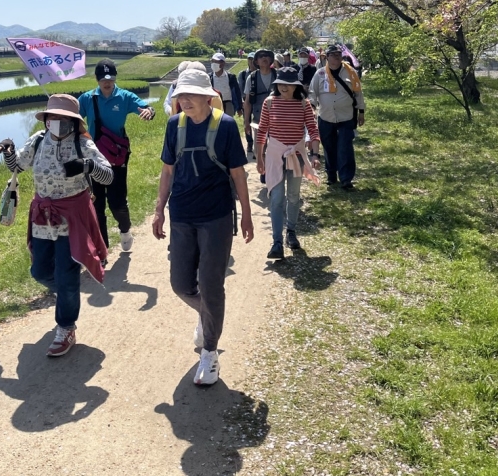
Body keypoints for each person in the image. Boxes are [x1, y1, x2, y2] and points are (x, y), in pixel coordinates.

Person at [152, 68, 254, 386]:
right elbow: (168, 171)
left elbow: (238, 174)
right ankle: (208, 314)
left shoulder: (224, 126)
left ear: (207, 96)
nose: (184, 100)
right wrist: (159, 211)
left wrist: (247, 214)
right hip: (182, 214)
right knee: (180, 284)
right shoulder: (174, 126)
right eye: (180, 95)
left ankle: (209, 353)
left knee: (211, 286)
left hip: (216, 217)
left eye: (190, 94)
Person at [0, 94, 112, 357]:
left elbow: (109, 175)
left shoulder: (83, 144)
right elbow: (18, 166)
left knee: (66, 273)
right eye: (51, 117)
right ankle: (68, 294)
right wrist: (8, 150)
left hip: (72, 216)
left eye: (61, 118)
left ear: (72, 121)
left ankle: (66, 326)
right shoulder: (38, 139)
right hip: (43, 215)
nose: (55, 122)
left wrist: (88, 165)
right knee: (39, 270)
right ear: (46, 120)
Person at [78, 59, 155, 252]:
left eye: (110, 78)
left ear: (115, 78)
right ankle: (101, 248)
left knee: (117, 201)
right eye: (103, 79)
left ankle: (125, 230)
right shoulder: (87, 99)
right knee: (97, 204)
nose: (107, 82)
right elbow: (74, 120)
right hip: (94, 158)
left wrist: (149, 111)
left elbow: (145, 107)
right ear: (96, 79)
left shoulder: (125, 96)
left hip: (117, 157)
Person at [255, 68, 321, 260]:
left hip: (296, 156)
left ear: (296, 86)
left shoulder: (303, 105)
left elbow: (313, 130)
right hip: (274, 156)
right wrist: (260, 158)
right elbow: (261, 132)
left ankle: (290, 232)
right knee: (276, 199)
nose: (284, 87)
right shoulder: (269, 103)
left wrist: (315, 154)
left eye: (289, 84)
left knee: (293, 196)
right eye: (281, 84)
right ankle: (276, 242)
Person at [309, 43, 365, 190]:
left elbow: (358, 92)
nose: (336, 57)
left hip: (346, 117)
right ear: (326, 57)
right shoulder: (320, 74)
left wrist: (361, 112)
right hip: (326, 117)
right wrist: (312, 108)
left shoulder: (350, 72)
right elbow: (312, 93)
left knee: (345, 148)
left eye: (338, 54)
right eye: (333, 54)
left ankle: (346, 179)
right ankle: (331, 175)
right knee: (329, 147)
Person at [243, 50, 277, 181]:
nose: (264, 58)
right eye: (261, 57)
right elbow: (247, 103)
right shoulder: (251, 78)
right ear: (256, 61)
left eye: (267, 56)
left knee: (275, 146)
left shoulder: (278, 75)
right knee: (260, 147)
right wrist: (246, 122)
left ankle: (273, 171)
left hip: (277, 118)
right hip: (258, 118)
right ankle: (264, 170)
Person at [209, 53, 242, 118]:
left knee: (227, 122)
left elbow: (237, 92)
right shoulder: (209, 77)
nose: (214, 63)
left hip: (228, 104)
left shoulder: (231, 77)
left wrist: (239, 108)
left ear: (223, 63)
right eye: (213, 61)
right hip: (214, 104)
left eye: (216, 62)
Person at [237, 53, 256, 156]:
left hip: (258, 102)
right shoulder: (243, 74)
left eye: (253, 59)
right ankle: (250, 142)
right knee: (247, 122)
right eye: (249, 59)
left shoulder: (259, 73)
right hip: (246, 101)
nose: (251, 61)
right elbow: (240, 88)